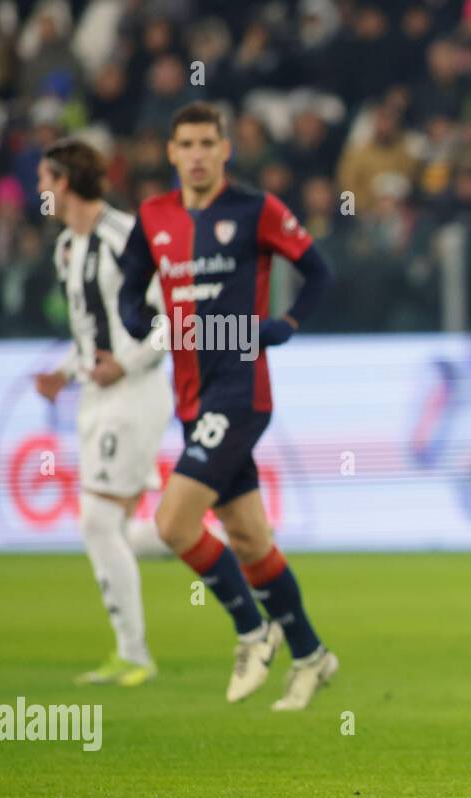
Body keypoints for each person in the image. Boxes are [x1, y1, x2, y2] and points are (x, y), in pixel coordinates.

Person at [117, 102, 338, 710]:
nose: (196, 154)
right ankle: (314, 655)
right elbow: (129, 294)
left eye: (207, 143)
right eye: (185, 143)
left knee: (172, 523)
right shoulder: (153, 217)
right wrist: (143, 324)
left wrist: (287, 322)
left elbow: (319, 272)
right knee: (248, 538)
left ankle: (251, 629)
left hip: (241, 391)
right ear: (170, 152)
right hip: (191, 395)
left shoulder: (255, 209)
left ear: (225, 150)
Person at [33, 138, 172, 687]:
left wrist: (129, 363)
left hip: (135, 393)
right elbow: (90, 334)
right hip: (97, 396)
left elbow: (171, 320)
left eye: (45, 181)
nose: (40, 191)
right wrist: (64, 373)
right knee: (124, 525)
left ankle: (134, 654)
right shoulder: (67, 247)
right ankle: (238, 544)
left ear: (64, 182)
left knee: (96, 518)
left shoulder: (127, 238)